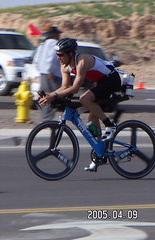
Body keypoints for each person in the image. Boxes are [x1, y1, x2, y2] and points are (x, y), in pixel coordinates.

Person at [39, 38, 122, 171]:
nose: (58, 58)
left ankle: (110, 125)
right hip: (100, 82)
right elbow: (64, 87)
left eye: (61, 55)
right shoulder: (64, 67)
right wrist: (49, 95)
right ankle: (100, 155)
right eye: (57, 55)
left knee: (84, 99)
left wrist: (54, 96)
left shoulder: (82, 61)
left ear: (70, 54)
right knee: (91, 125)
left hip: (112, 79)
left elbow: (76, 87)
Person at [32, 26, 62, 121]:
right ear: (53, 35)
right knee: (52, 97)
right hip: (52, 75)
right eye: (58, 34)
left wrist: (42, 70)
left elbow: (36, 59)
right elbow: (52, 57)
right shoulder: (54, 44)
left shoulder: (42, 44)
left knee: (43, 96)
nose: (59, 36)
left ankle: (44, 118)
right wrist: (50, 71)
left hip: (43, 73)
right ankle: (47, 119)